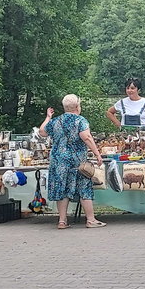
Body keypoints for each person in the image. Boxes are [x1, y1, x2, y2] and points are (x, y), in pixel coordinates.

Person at [39, 94, 106, 229]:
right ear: (77, 106)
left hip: (58, 160)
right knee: (84, 187)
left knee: (62, 189)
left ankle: (62, 221)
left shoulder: (56, 121)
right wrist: (97, 154)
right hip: (77, 161)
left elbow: (42, 132)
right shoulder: (80, 121)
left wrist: (48, 117)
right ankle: (91, 220)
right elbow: (86, 137)